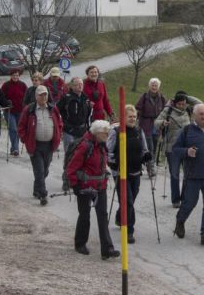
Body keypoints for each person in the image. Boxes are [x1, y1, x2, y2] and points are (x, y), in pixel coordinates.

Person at [171, 103, 204, 247]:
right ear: (195, 115)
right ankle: (180, 221)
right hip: (193, 176)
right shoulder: (187, 130)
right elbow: (175, 149)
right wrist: (187, 152)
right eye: (201, 114)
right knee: (189, 203)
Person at [66, 120, 120, 260]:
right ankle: (80, 244)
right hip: (84, 187)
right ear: (97, 133)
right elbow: (72, 168)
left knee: (102, 216)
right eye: (105, 132)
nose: (107, 135)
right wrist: (75, 186)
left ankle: (107, 249)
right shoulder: (85, 146)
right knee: (84, 215)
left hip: (100, 186)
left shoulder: (101, 146)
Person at [108, 104, 153, 243]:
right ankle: (129, 231)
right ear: (123, 118)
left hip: (136, 172)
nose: (133, 119)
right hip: (120, 173)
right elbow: (108, 151)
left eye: (134, 117)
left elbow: (144, 149)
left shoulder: (139, 131)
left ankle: (119, 217)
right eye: (130, 117)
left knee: (130, 200)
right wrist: (113, 162)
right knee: (128, 202)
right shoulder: (116, 131)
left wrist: (147, 156)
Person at [18, 85, 64, 205]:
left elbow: (59, 124)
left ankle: (37, 189)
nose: (43, 97)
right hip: (35, 145)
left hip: (49, 145)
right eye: (41, 95)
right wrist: (25, 139)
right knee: (39, 170)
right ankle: (43, 194)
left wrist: (58, 137)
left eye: (45, 94)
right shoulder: (29, 109)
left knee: (45, 170)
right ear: (36, 96)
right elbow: (21, 126)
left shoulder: (53, 109)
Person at [154, 92, 191, 207]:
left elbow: (202, 104)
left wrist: (188, 98)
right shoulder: (168, 111)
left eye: (184, 104)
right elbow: (156, 122)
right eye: (179, 104)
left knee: (187, 174)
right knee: (174, 174)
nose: (181, 106)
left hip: (186, 148)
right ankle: (176, 200)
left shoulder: (189, 110)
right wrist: (163, 122)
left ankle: (184, 198)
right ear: (175, 103)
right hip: (172, 149)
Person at [58, 77, 92, 151]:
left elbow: (89, 115)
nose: (80, 86)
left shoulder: (86, 99)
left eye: (81, 84)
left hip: (82, 131)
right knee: (70, 154)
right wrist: (62, 126)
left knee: (81, 154)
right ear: (72, 86)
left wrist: (88, 128)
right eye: (77, 84)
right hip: (69, 131)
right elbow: (57, 111)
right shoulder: (66, 98)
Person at [135, 77, 166, 155]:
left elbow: (166, 110)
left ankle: (152, 162)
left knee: (155, 143)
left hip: (157, 125)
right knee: (147, 144)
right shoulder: (144, 97)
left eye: (156, 85)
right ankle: (147, 161)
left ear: (158, 87)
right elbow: (137, 108)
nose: (154, 87)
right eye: (152, 85)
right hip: (145, 124)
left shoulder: (161, 98)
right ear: (149, 86)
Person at [0, 68, 27, 156]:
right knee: (13, 129)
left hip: (20, 111)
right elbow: (1, 97)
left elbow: (26, 97)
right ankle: (16, 149)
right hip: (9, 111)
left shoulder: (23, 85)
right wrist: (6, 102)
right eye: (14, 75)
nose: (15, 77)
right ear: (11, 76)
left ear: (19, 76)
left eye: (17, 75)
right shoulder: (6, 85)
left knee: (18, 130)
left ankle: (13, 147)